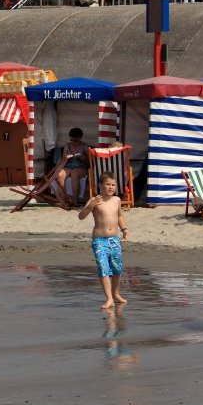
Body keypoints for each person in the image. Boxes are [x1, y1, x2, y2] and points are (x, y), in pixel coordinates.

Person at [78, 171, 128, 311]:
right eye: (107, 184)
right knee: (103, 268)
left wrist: (124, 229)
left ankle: (116, 293)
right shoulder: (95, 200)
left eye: (113, 185)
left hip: (114, 240)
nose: (110, 187)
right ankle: (109, 298)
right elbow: (81, 216)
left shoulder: (116, 200)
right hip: (100, 240)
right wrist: (90, 206)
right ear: (100, 185)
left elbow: (119, 216)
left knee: (117, 268)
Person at [54, 127, 92, 209]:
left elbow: (91, 163)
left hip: (81, 166)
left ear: (80, 138)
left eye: (75, 140)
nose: (73, 142)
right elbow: (63, 161)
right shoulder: (67, 146)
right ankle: (63, 200)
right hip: (69, 165)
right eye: (71, 140)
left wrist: (84, 158)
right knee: (59, 175)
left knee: (75, 174)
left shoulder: (85, 147)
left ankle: (75, 201)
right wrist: (65, 158)